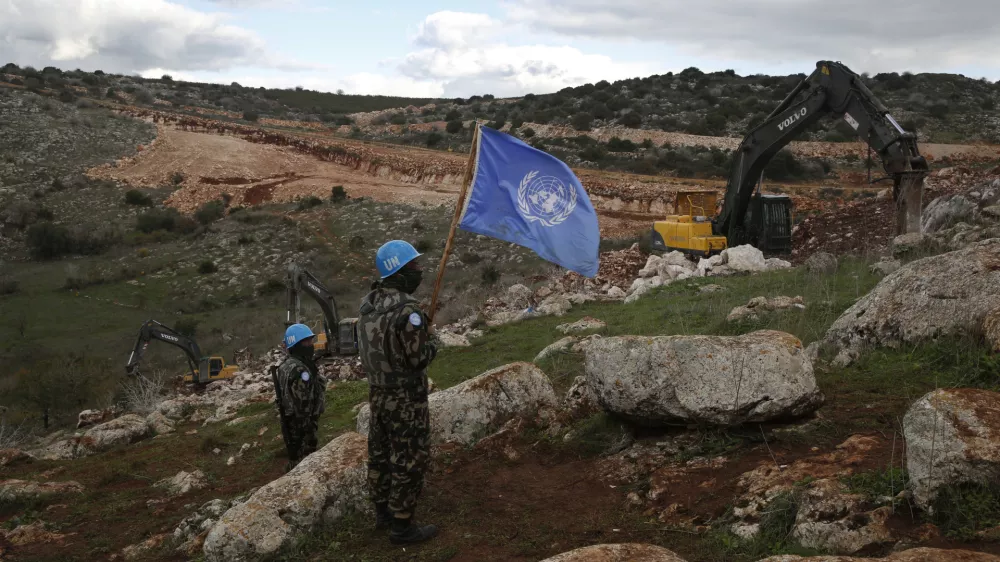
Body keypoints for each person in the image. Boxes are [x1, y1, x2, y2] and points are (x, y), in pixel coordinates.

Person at [358, 240, 439, 545]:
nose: (419, 271)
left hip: (377, 394)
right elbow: (418, 358)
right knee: (409, 458)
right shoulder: (408, 309)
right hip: (406, 399)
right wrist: (432, 339)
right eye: (414, 266)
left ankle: (382, 514)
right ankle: (402, 527)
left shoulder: (367, 304)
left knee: (379, 455)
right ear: (400, 271)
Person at [274, 323, 326, 472]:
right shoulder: (299, 369)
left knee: (297, 456)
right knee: (305, 463)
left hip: (291, 421)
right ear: (296, 344)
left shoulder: (287, 365)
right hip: (301, 425)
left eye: (310, 341)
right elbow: (302, 405)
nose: (310, 345)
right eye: (306, 342)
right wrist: (308, 430)